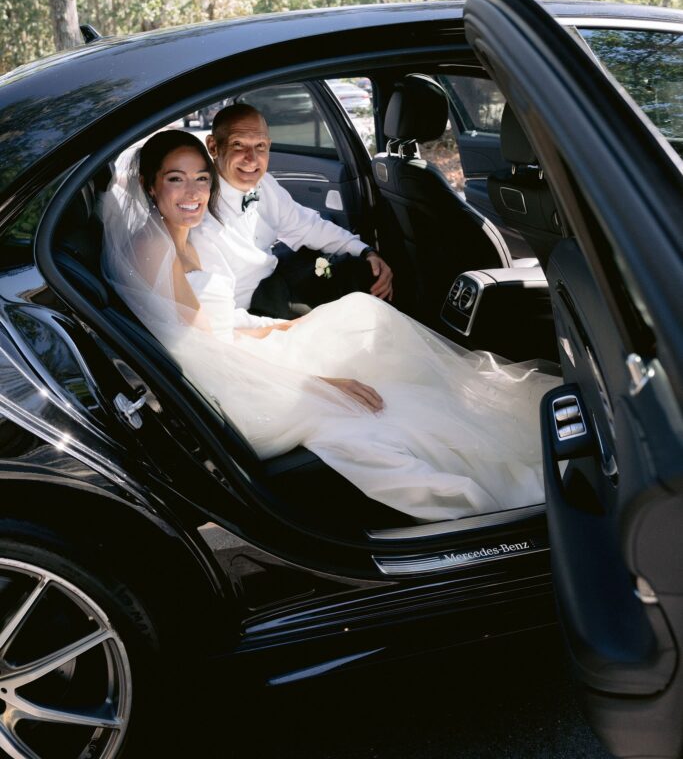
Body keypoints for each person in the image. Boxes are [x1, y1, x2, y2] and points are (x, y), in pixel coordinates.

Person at [102, 130, 560, 525]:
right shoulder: (153, 249)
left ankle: (480, 422)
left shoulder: (180, 237)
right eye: (175, 179)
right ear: (150, 185)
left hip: (233, 362)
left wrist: (283, 328)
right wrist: (317, 383)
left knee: (360, 314)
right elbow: (201, 353)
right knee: (375, 406)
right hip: (230, 392)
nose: (193, 192)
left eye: (201, 178)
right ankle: (485, 491)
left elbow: (215, 328)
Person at [194, 103, 393, 319]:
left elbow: (308, 227)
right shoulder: (197, 214)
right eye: (238, 145)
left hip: (277, 292)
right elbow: (214, 311)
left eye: (260, 146)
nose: (251, 159)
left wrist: (365, 252)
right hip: (249, 316)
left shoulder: (265, 185)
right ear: (213, 147)